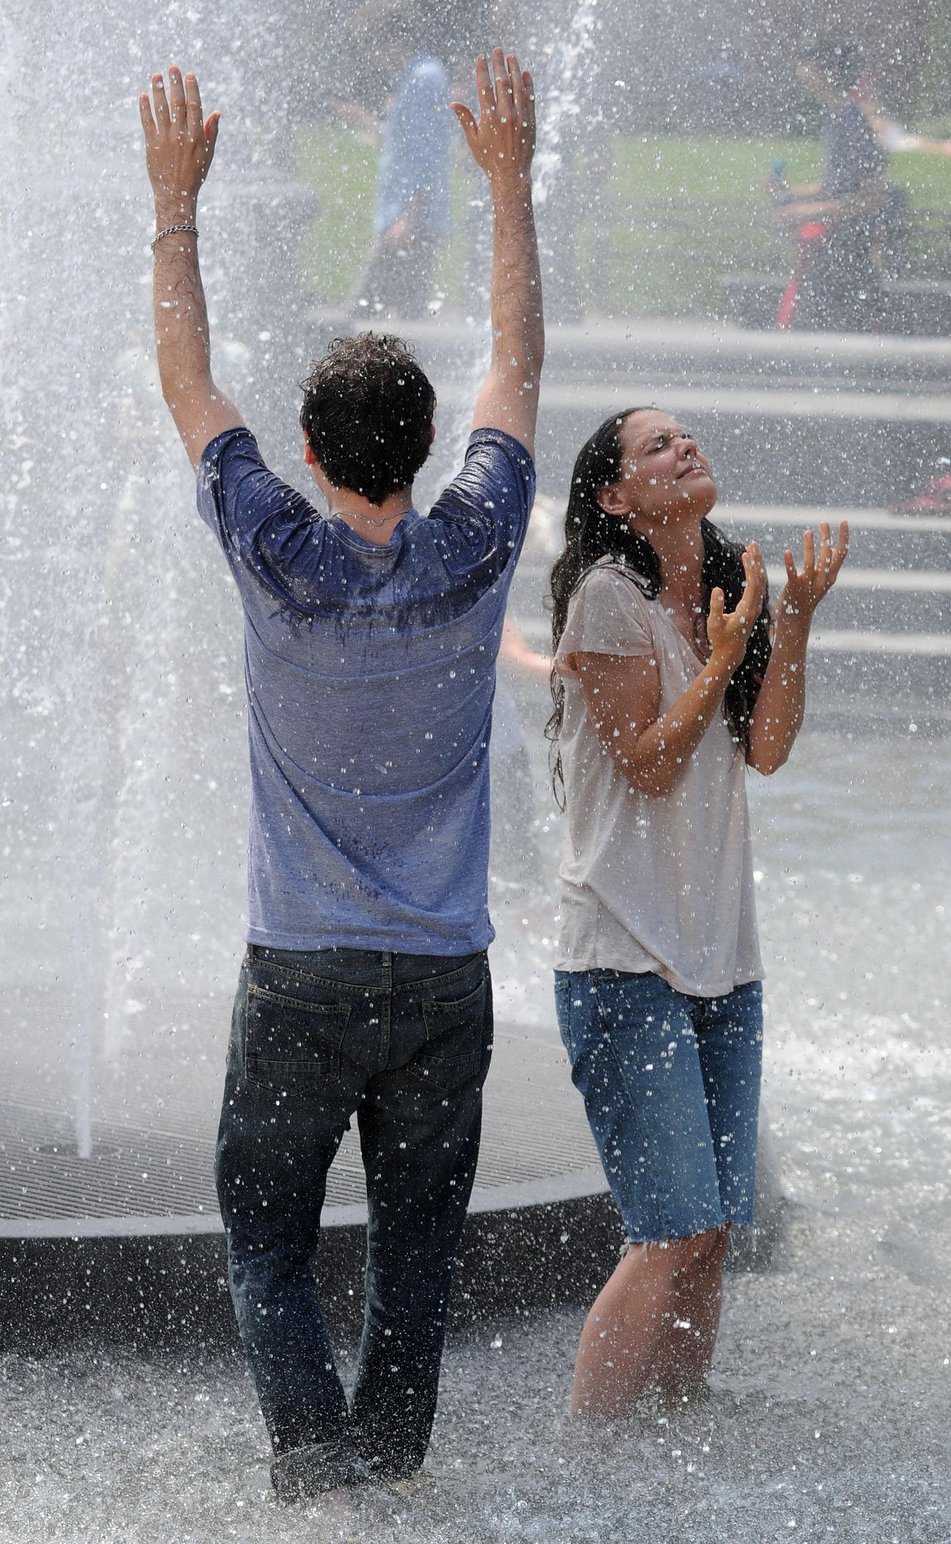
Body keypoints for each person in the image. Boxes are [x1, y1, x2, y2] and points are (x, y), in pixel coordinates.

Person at [138, 50, 542, 1502]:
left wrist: (174, 207)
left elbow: (186, 381)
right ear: (432, 451)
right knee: (421, 1243)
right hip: (444, 971)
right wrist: (507, 186)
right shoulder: (476, 544)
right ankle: (391, 1461)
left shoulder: (279, 552)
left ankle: (315, 1466)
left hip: (301, 968)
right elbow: (517, 365)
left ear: (306, 452)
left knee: (265, 1234)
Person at [546, 408, 847, 1416]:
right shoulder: (604, 599)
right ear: (615, 496)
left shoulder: (730, 589)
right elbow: (647, 761)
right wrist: (717, 658)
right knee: (668, 1227)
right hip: (625, 956)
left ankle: (680, 1437)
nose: (685, 449)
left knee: (712, 1227)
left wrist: (791, 618)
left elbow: (764, 749)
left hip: (723, 957)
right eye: (656, 447)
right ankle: (589, 1459)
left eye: (687, 437)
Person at [346, 0, 453, 320]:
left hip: (410, 217)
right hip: (402, 213)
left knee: (361, 313)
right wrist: (370, 125)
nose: (371, 58)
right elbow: (408, 141)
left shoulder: (425, 78)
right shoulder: (415, 78)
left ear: (392, 41)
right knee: (402, 317)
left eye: (371, 48)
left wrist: (409, 216)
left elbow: (429, 154)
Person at [774, 40, 888, 331]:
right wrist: (790, 193)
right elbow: (834, 186)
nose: (801, 71)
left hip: (849, 253)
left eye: (810, 64)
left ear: (830, 74)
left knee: (826, 337)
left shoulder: (853, 123)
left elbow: (872, 197)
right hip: (831, 249)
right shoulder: (836, 119)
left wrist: (808, 213)